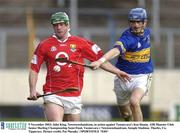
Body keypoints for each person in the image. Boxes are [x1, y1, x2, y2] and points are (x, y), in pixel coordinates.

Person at [28, 12, 130, 121]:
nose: (59, 27)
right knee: (55, 126)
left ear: (68, 25)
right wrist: (32, 90)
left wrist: (117, 71)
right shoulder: (44, 45)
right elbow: (34, 68)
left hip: (74, 94)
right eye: (55, 25)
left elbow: (100, 61)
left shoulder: (81, 43)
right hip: (53, 94)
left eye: (62, 24)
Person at [90, 8, 153, 121]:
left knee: (134, 102)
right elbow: (116, 51)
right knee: (126, 114)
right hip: (122, 77)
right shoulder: (127, 38)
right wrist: (100, 61)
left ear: (145, 22)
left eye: (139, 22)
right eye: (133, 22)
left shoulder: (147, 32)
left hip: (142, 76)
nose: (136, 25)